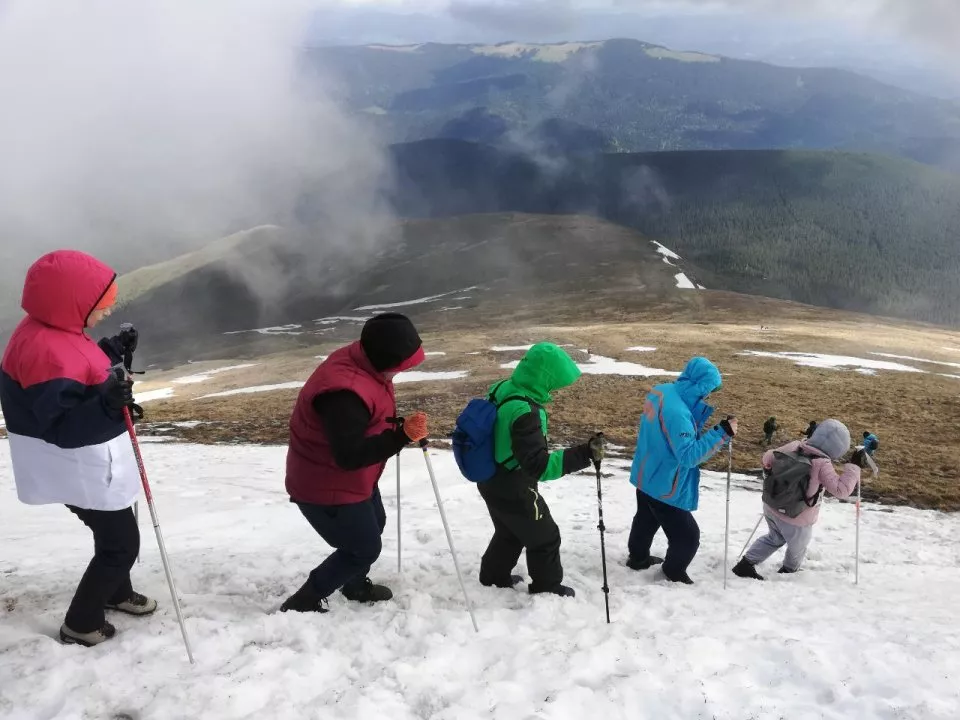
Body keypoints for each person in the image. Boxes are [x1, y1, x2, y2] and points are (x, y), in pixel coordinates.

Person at [0, 250, 155, 647]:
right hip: (74, 464)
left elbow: (80, 361)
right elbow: (62, 428)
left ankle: (116, 593)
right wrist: (106, 404)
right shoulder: (44, 352)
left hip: (88, 460)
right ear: (72, 302)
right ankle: (81, 623)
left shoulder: (55, 329)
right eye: (101, 305)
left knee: (114, 534)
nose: (106, 311)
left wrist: (111, 349)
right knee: (122, 543)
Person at [281, 313, 429, 613]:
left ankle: (353, 583)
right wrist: (400, 436)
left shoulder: (363, 362)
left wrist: (394, 430)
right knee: (364, 548)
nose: (398, 373)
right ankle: (303, 601)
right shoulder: (344, 392)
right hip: (327, 485)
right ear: (384, 359)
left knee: (376, 524)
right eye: (399, 366)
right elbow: (348, 455)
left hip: (351, 479)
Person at [477, 342, 603, 598]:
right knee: (545, 537)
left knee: (509, 530)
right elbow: (538, 466)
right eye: (556, 382)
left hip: (490, 477)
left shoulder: (505, 388)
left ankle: (492, 576)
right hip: (515, 485)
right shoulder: (525, 411)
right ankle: (547, 587)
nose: (557, 389)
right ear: (546, 377)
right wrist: (584, 453)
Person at [626, 357, 736, 584]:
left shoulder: (662, 391)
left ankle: (638, 558)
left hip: (646, 473)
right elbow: (688, 457)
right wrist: (722, 432)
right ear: (700, 385)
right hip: (665, 483)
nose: (709, 395)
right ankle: (673, 572)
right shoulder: (678, 412)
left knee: (646, 518)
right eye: (709, 389)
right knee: (687, 536)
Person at [732, 419, 866, 580]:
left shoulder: (795, 445)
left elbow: (768, 457)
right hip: (797, 516)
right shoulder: (822, 463)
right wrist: (854, 467)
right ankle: (789, 572)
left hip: (772, 504)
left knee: (775, 537)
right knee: (798, 547)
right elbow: (841, 490)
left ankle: (745, 564)